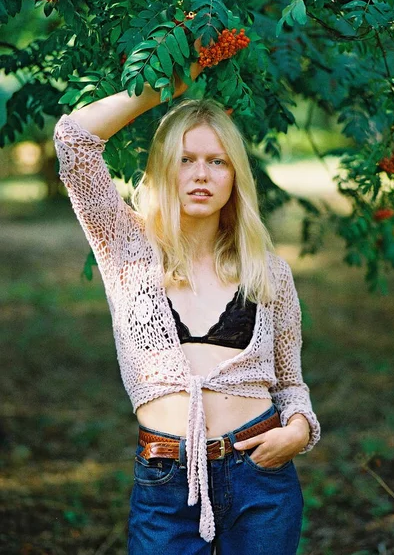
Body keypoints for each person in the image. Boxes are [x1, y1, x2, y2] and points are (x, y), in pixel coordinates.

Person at [53, 48, 320, 555]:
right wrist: (162, 87)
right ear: (163, 168)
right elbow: (73, 142)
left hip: (260, 474)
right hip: (166, 479)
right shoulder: (125, 247)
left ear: (235, 175)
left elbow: (290, 383)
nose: (202, 174)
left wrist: (299, 430)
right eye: (186, 159)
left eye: (217, 161)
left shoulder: (269, 271)